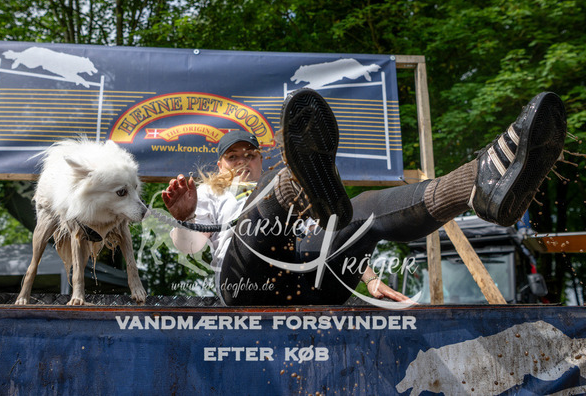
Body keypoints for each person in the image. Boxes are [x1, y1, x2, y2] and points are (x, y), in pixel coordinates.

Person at [162, 88, 567, 306]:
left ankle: (476, 185)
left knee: (363, 211)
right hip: (247, 286)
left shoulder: (295, 188)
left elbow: (334, 237)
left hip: (312, 283)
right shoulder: (208, 194)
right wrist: (184, 216)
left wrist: (369, 280)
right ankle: (287, 186)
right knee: (268, 200)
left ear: (259, 155)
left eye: (248, 154)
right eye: (232, 157)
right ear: (220, 163)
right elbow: (189, 249)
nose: (241, 162)